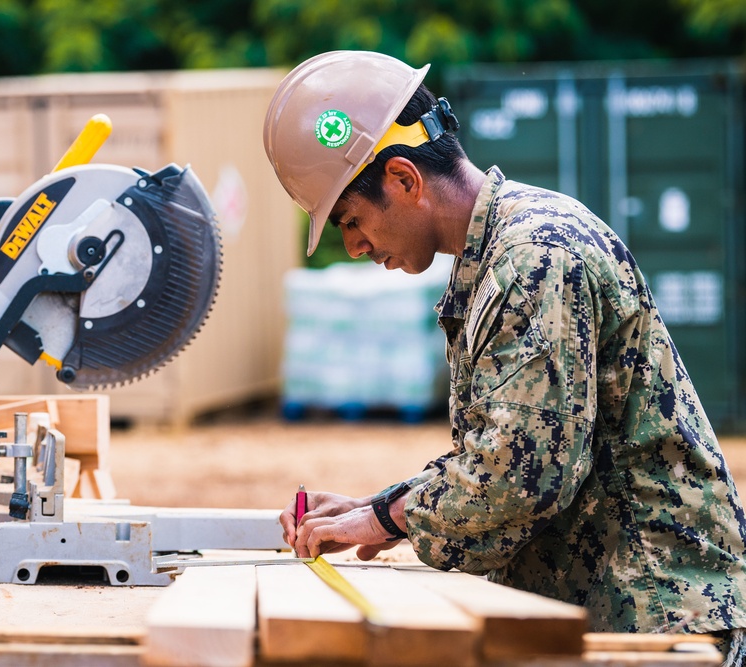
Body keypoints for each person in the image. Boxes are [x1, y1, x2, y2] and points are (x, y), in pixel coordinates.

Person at [263, 50, 746, 664]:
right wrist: (377, 506)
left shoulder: (535, 256)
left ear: (406, 181)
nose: (355, 247)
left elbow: (524, 477)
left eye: (352, 220)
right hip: (618, 607)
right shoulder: (502, 253)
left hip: (661, 621)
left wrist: (386, 519)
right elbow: (512, 446)